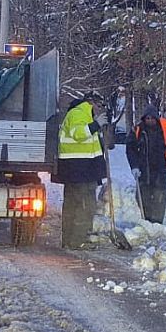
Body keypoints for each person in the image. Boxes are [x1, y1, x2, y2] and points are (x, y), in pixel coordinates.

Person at [55, 92, 108, 248]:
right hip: (80, 169)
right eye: (99, 106)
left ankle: (69, 241)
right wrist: (95, 125)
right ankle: (77, 241)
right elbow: (78, 134)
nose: (100, 110)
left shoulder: (82, 115)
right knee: (85, 206)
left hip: (78, 169)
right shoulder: (79, 113)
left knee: (72, 205)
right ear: (91, 103)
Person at [126, 105, 166, 224]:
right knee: (143, 198)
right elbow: (130, 149)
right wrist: (134, 166)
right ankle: (146, 222)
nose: (150, 121)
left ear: (156, 118)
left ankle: (157, 223)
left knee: (159, 198)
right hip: (144, 171)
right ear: (144, 119)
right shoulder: (137, 130)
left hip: (161, 171)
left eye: (152, 118)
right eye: (147, 118)